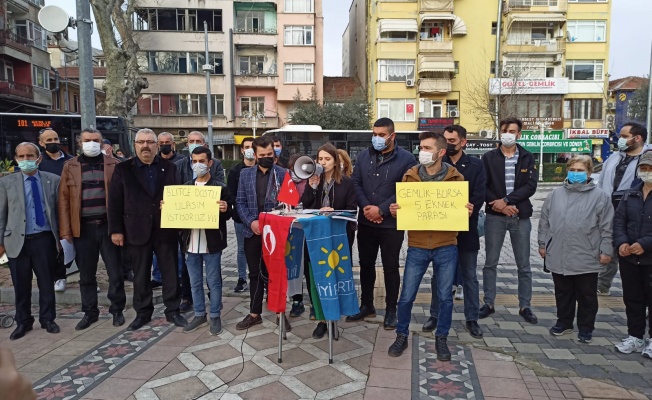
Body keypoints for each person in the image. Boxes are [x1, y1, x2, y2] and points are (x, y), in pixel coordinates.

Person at [387, 131, 471, 361]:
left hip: (446, 245)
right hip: (417, 245)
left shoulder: (456, 178)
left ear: (440, 152)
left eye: (426, 148)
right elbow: (404, 209)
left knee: (445, 297)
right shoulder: (410, 176)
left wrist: (466, 211)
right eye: (421, 148)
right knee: (406, 296)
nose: (421, 152)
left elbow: (461, 208)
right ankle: (401, 334)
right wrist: (396, 211)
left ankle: (441, 337)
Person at [108, 128, 188, 331]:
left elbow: (177, 195)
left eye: (150, 142)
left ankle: (173, 311)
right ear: (134, 145)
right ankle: (143, 312)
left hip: (165, 230)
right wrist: (116, 230)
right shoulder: (123, 169)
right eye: (141, 142)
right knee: (141, 274)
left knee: (170, 273)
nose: (145, 146)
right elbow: (115, 201)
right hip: (136, 229)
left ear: (157, 146)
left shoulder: (169, 168)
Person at [348, 117, 417, 329]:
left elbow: (406, 190)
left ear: (392, 136)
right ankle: (366, 305)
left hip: (391, 225)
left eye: (381, 135)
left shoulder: (407, 160)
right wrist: (368, 207)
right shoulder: (363, 156)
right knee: (366, 265)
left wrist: (382, 210)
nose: (376, 138)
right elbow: (356, 183)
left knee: (390, 267)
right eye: (374, 134)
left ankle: (391, 310)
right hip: (366, 222)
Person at [538, 155, 613, 344]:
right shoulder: (555, 195)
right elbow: (544, 222)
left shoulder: (600, 197)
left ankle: (586, 328)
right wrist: (542, 243)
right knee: (563, 292)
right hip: (558, 252)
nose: (576, 173)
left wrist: (606, 250)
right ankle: (564, 323)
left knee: (587, 295)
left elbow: (607, 227)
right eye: (573, 169)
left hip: (586, 254)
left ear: (589, 173)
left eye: (581, 170)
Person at [59, 129, 127, 330]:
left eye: (96, 140)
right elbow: (63, 200)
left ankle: (117, 310)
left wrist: (121, 228)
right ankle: (90, 312)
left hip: (109, 227)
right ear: (80, 143)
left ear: (102, 143)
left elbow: (123, 197)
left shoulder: (114, 165)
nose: (92, 144)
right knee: (86, 275)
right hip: (82, 229)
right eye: (87, 140)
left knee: (115, 272)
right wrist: (65, 230)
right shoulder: (70, 166)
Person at [426, 125, 486, 339]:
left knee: (469, 276)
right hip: (440, 231)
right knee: (438, 277)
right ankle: (435, 315)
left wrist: (470, 208)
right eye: (445, 140)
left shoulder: (476, 165)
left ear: (463, 142)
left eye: (452, 140)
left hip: (465, 229)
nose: (449, 144)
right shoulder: (433, 164)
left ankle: (472, 318)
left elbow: (480, 193)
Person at [480, 117, 538, 325]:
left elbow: (530, 186)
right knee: (490, 263)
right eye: (505, 130)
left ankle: (525, 305)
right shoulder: (488, 158)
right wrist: (498, 205)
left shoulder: (527, 157)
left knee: (524, 265)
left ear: (519, 134)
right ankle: (488, 303)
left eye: (512, 131)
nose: (508, 134)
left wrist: (506, 201)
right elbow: (483, 185)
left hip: (519, 216)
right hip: (495, 216)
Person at [0, 142, 61, 340]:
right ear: (16, 159)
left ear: (38, 158)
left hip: (44, 239)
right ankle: (23, 321)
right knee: (21, 284)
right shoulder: (6, 183)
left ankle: (48, 319)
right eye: (21, 156)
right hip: (17, 241)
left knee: (46, 282)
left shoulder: (53, 180)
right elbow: (1, 214)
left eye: (29, 156)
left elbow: (60, 211)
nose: (26, 160)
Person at [301, 143, 358, 339]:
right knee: (316, 278)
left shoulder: (347, 183)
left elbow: (352, 209)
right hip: (315, 237)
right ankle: (321, 319)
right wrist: (311, 188)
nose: (323, 163)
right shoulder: (312, 180)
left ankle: (334, 319)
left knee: (335, 277)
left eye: (327, 159)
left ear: (335, 161)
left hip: (338, 238)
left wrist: (335, 212)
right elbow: (305, 205)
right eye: (320, 159)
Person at [235, 136, 290, 331]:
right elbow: (239, 203)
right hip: (253, 232)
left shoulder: (283, 174)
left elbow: (288, 204)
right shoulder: (245, 174)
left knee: (276, 273)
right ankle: (254, 313)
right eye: (263, 155)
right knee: (255, 274)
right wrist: (251, 222)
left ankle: (279, 313)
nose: (267, 157)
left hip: (275, 233)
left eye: (270, 154)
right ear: (255, 155)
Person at [181, 146, 233, 335]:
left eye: (202, 161)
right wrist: (169, 207)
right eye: (194, 161)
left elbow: (230, 214)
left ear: (210, 163)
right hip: (191, 243)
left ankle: (215, 315)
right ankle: (199, 314)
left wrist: (226, 208)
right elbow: (177, 215)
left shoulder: (219, 187)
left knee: (214, 281)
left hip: (212, 243)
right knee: (194, 281)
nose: (198, 165)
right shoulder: (185, 188)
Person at [597, 122, 650, 296]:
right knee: (608, 245)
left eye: (624, 136)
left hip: (636, 210)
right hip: (608, 207)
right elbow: (602, 180)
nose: (620, 139)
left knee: (630, 246)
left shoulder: (647, 159)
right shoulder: (615, 157)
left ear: (638, 138)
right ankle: (601, 285)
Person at [612, 151, 652, 357]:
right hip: (629, 258)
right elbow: (619, 221)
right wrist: (622, 242)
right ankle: (635, 336)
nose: (646, 172)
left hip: (649, 256)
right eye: (643, 168)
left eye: (650, 169)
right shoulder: (631, 194)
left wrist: (645, 243)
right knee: (633, 299)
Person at [37, 128, 73, 293]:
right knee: (56, 246)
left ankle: (87, 278)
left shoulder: (72, 161)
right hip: (49, 210)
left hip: (71, 208)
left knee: (75, 245)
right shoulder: (39, 163)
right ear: (41, 143)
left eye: (55, 139)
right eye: (49, 140)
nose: (53, 143)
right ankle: (59, 277)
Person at [226, 136, 255, 293]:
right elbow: (231, 195)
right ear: (242, 150)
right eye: (247, 146)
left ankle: (258, 277)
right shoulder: (235, 171)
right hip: (240, 218)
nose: (249, 149)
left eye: (252, 146)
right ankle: (242, 278)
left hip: (258, 218)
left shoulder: (261, 169)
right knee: (242, 249)